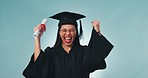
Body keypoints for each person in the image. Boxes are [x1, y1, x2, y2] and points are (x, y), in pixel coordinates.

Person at [23, 11, 114, 78]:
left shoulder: (84, 52)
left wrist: (97, 32)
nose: (68, 34)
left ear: (76, 32)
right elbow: (39, 67)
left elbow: (97, 57)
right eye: (64, 30)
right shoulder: (51, 53)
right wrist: (37, 38)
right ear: (59, 33)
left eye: (71, 30)